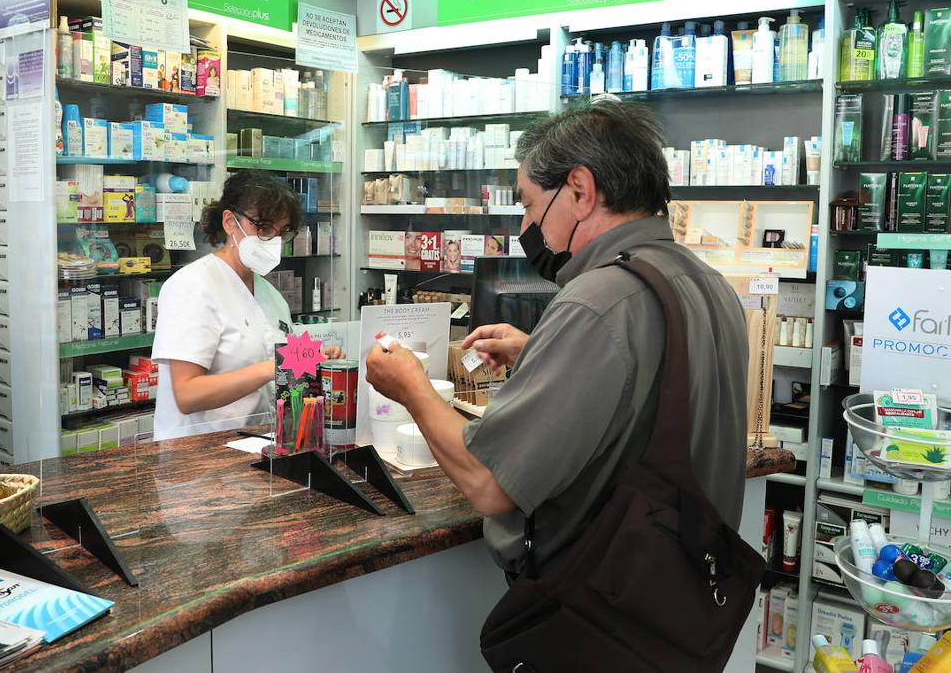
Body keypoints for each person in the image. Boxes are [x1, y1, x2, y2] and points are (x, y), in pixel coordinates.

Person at [366, 99, 748, 586]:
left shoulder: (597, 301)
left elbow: (488, 482)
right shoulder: (706, 281)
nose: (526, 228)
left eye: (528, 205)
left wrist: (412, 386)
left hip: (600, 610)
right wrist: (539, 352)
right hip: (683, 594)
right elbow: (655, 386)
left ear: (581, 190)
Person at [152, 171, 341, 441]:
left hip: (257, 445)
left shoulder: (271, 296)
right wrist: (275, 366)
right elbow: (187, 395)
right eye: (263, 227)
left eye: (282, 232)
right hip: (196, 454)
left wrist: (315, 360)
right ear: (230, 222)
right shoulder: (191, 286)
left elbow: (283, 374)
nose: (273, 241)